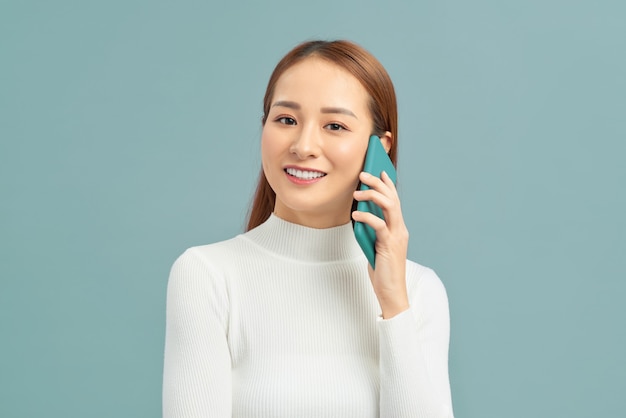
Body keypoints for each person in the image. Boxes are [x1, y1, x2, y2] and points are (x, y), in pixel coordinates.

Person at [162, 40, 454, 418]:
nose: (303, 146)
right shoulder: (207, 275)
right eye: (286, 120)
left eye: (335, 125)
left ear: (378, 148)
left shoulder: (418, 291)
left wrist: (394, 303)